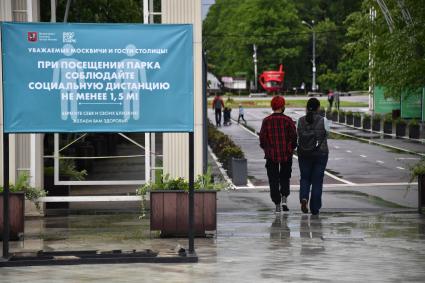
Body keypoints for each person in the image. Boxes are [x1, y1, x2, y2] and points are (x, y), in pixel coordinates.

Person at [260, 96, 297, 213]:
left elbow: (262, 138)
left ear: (273, 106)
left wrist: (267, 148)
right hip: (286, 154)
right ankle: (284, 198)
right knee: (285, 177)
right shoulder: (288, 120)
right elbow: (294, 136)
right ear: (282, 106)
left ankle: (277, 203)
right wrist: (291, 148)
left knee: (273, 179)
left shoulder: (266, 121)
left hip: (271, 155)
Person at [297, 98, 330, 215]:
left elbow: (298, 134)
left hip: (303, 153)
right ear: (318, 108)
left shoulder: (300, 120)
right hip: (320, 153)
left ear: (306, 108)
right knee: (317, 180)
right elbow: (328, 134)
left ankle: (304, 198)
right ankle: (315, 208)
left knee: (305, 178)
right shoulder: (324, 120)